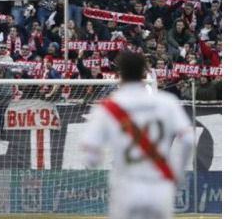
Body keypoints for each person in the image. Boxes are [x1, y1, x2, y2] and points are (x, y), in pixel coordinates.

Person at [81, 52, 194, 219]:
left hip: (126, 185)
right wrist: (177, 173)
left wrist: (95, 161)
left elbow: (90, 155)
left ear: (119, 74)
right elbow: (188, 140)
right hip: (159, 185)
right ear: (144, 72)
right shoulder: (166, 102)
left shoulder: (108, 107)